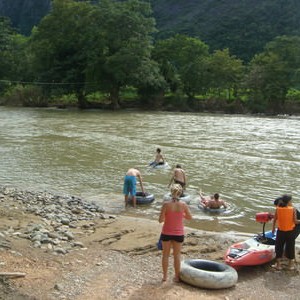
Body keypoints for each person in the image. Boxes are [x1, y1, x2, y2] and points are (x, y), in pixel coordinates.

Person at [159, 184, 192, 282]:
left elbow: (160, 220)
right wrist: (182, 215)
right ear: (180, 193)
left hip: (166, 232)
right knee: (177, 256)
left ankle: (165, 277)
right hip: (178, 234)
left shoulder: (166, 204)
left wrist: (166, 216)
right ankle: (177, 277)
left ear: (171, 192)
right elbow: (190, 217)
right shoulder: (183, 205)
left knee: (165, 255)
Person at [272, 194, 300, 270]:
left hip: (282, 231)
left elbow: (275, 219)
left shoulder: (278, 209)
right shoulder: (293, 209)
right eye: (291, 201)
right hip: (290, 231)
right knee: (290, 246)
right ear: (288, 202)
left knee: (279, 247)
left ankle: (278, 265)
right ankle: (290, 265)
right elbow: (295, 221)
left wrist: (273, 228)